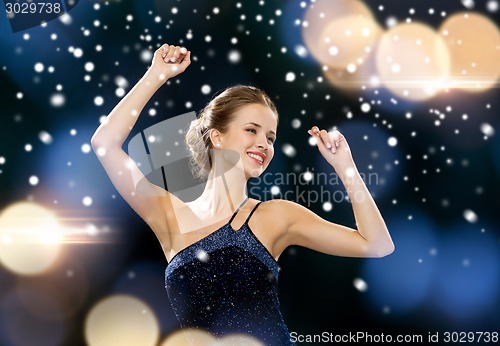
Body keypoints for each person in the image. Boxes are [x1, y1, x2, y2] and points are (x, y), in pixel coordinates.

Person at [91, 43, 394, 346]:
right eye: (252, 130)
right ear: (217, 136)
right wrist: (156, 74)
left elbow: (377, 245)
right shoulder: (170, 216)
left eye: (270, 137)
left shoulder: (275, 216)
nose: (264, 143)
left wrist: (346, 167)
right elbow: (104, 143)